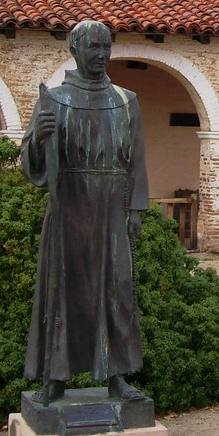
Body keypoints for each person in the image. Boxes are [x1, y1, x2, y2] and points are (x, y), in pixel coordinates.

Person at [21, 20, 148, 405]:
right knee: (64, 289)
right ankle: (55, 376)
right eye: (93, 47)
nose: (101, 55)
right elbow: (31, 166)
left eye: (106, 47)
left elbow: (137, 161)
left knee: (117, 290)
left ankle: (117, 375)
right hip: (70, 207)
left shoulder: (127, 100)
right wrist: (39, 140)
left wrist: (136, 209)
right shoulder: (53, 100)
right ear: (74, 50)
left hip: (111, 208)